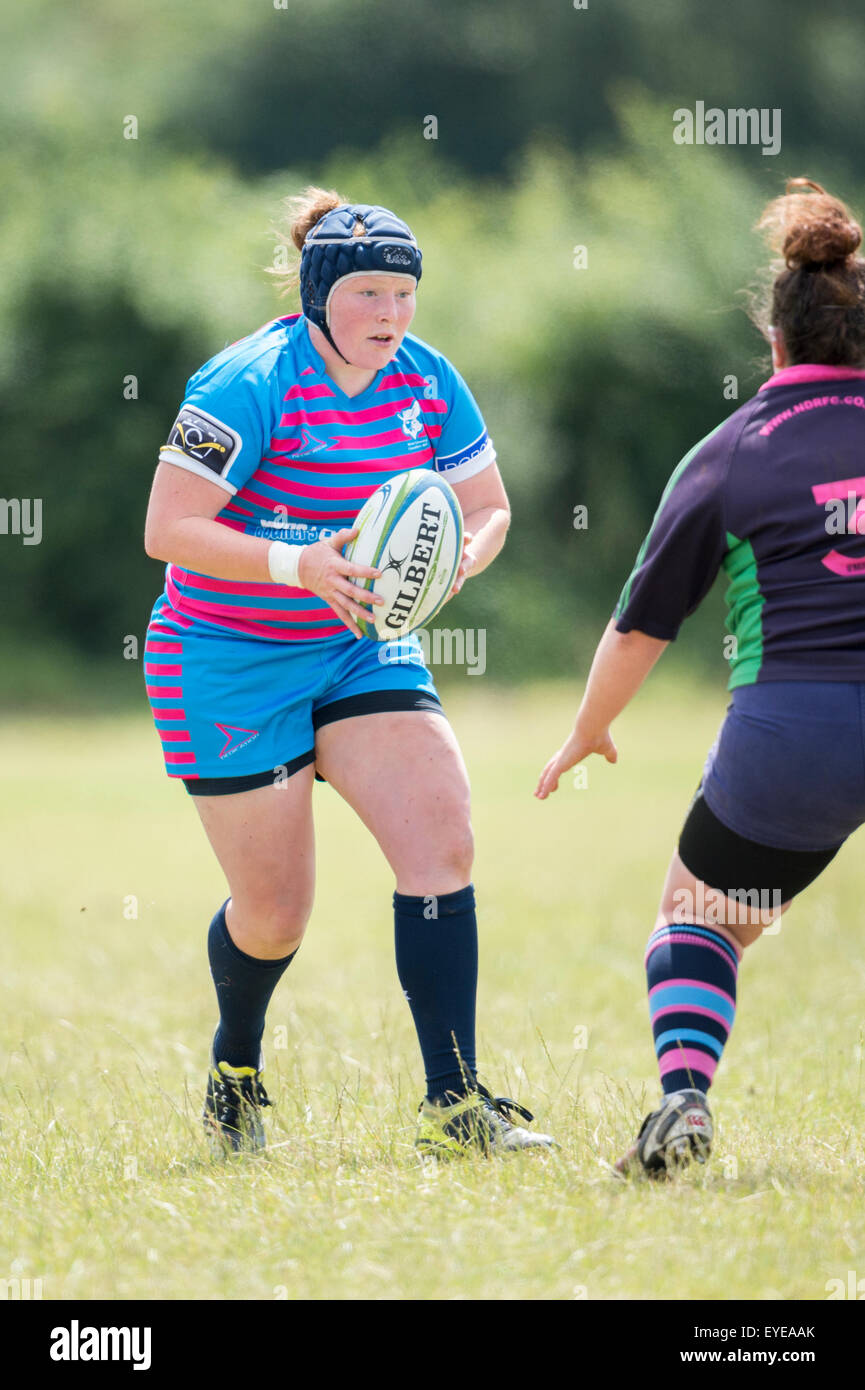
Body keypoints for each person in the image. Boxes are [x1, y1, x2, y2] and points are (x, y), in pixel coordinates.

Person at [143, 187, 554, 1157]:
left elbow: (489, 504)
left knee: (441, 844)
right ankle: (235, 1066)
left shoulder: (426, 377)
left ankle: (455, 1106)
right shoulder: (247, 379)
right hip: (229, 658)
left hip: (363, 642)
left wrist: (460, 557)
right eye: (369, 293)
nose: (391, 315)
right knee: (278, 912)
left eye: (405, 294)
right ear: (320, 292)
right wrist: (300, 562)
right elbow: (166, 530)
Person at [536, 178, 865, 1176]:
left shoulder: (731, 452)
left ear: (772, 341)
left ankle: (683, 1097)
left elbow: (641, 624)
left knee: (699, 922)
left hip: (793, 736)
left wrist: (589, 725)